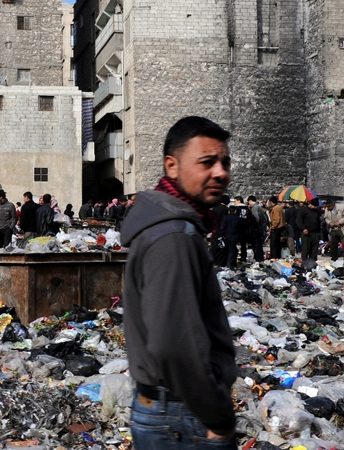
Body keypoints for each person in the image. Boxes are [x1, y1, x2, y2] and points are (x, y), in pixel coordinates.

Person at [121, 116, 237, 447]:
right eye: (207, 163)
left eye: (224, 162)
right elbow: (174, 345)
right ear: (171, 166)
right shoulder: (174, 235)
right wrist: (217, 416)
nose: (220, 172)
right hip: (182, 415)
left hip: (169, 410)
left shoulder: (170, 225)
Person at [210, 194, 229, 266]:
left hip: (214, 229)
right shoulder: (225, 209)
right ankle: (219, 262)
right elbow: (224, 221)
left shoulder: (215, 208)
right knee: (221, 246)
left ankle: (213, 260)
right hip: (220, 230)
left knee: (214, 245)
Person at [247, 195, 267, 262]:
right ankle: (260, 258)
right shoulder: (259, 207)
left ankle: (257, 259)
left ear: (251, 201)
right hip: (261, 229)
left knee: (256, 245)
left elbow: (256, 218)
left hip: (256, 230)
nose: (249, 203)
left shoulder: (254, 208)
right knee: (259, 245)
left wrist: (254, 226)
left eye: (249, 202)